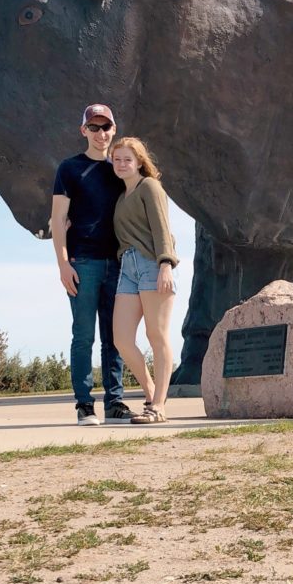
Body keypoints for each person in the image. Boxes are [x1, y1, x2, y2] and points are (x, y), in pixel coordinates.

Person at [51, 104, 133, 426]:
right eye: (94, 127)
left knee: (116, 336)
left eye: (106, 127)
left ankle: (115, 402)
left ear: (114, 130)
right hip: (82, 263)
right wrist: (62, 265)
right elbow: (58, 220)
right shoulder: (69, 169)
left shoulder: (120, 169)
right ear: (83, 130)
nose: (101, 134)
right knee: (83, 336)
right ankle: (85, 405)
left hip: (118, 265)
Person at [109, 137, 179, 424]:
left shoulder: (149, 187)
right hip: (127, 267)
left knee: (156, 335)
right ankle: (150, 391)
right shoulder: (121, 197)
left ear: (139, 162)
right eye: (117, 159)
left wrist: (166, 264)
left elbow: (162, 227)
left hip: (153, 264)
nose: (122, 164)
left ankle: (159, 406)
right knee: (122, 339)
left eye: (128, 159)